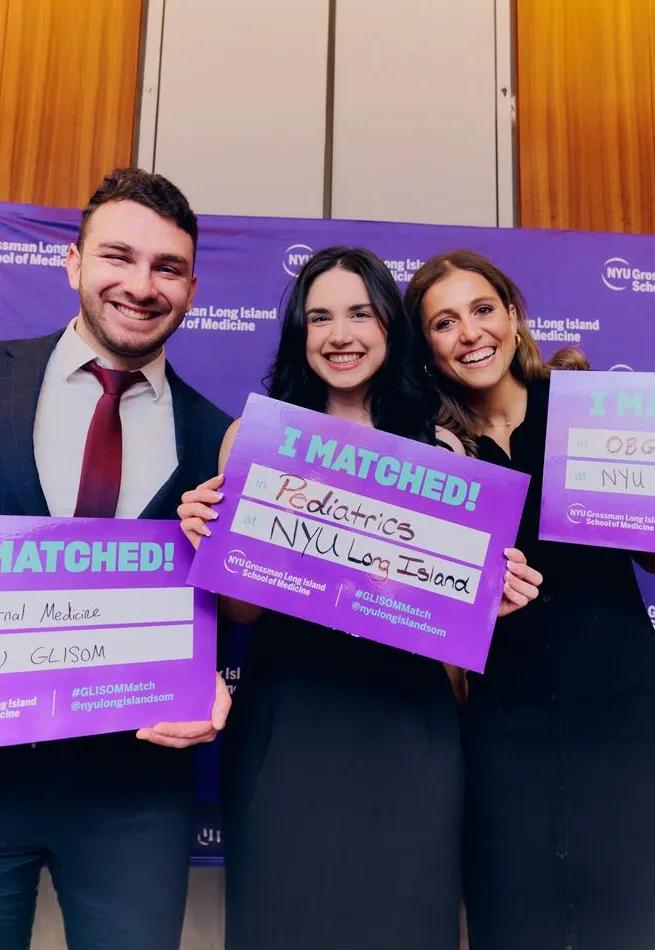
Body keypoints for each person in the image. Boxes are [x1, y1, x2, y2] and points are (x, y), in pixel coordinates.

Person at [179, 247, 541, 950]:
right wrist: (212, 545)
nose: (339, 335)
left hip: (409, 729)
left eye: (359, 314)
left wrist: (484, 601)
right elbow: (243, 614)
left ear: (388, 326)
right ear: (299, 332)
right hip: (290, 723)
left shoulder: (443, 448)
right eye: (319, 317)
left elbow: (450, 623)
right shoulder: (256, 439)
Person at [0, 168, 232, 950]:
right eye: (117, 256)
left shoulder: (220, 438)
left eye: (167, 267)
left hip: (134, 794)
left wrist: (205, 678)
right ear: (73, 263)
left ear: (192, 288)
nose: (140, 285)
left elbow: (234, 602)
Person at [405, 249, 655, 950]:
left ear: (513, 317)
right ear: (426, 348)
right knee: (513, 919)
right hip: (500, 724)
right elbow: (416, 608)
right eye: (443, 323)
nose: (469, 333)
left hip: (623, 710)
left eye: (482, 310)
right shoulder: (429, 453)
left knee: (631, 915)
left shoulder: (588, 407)